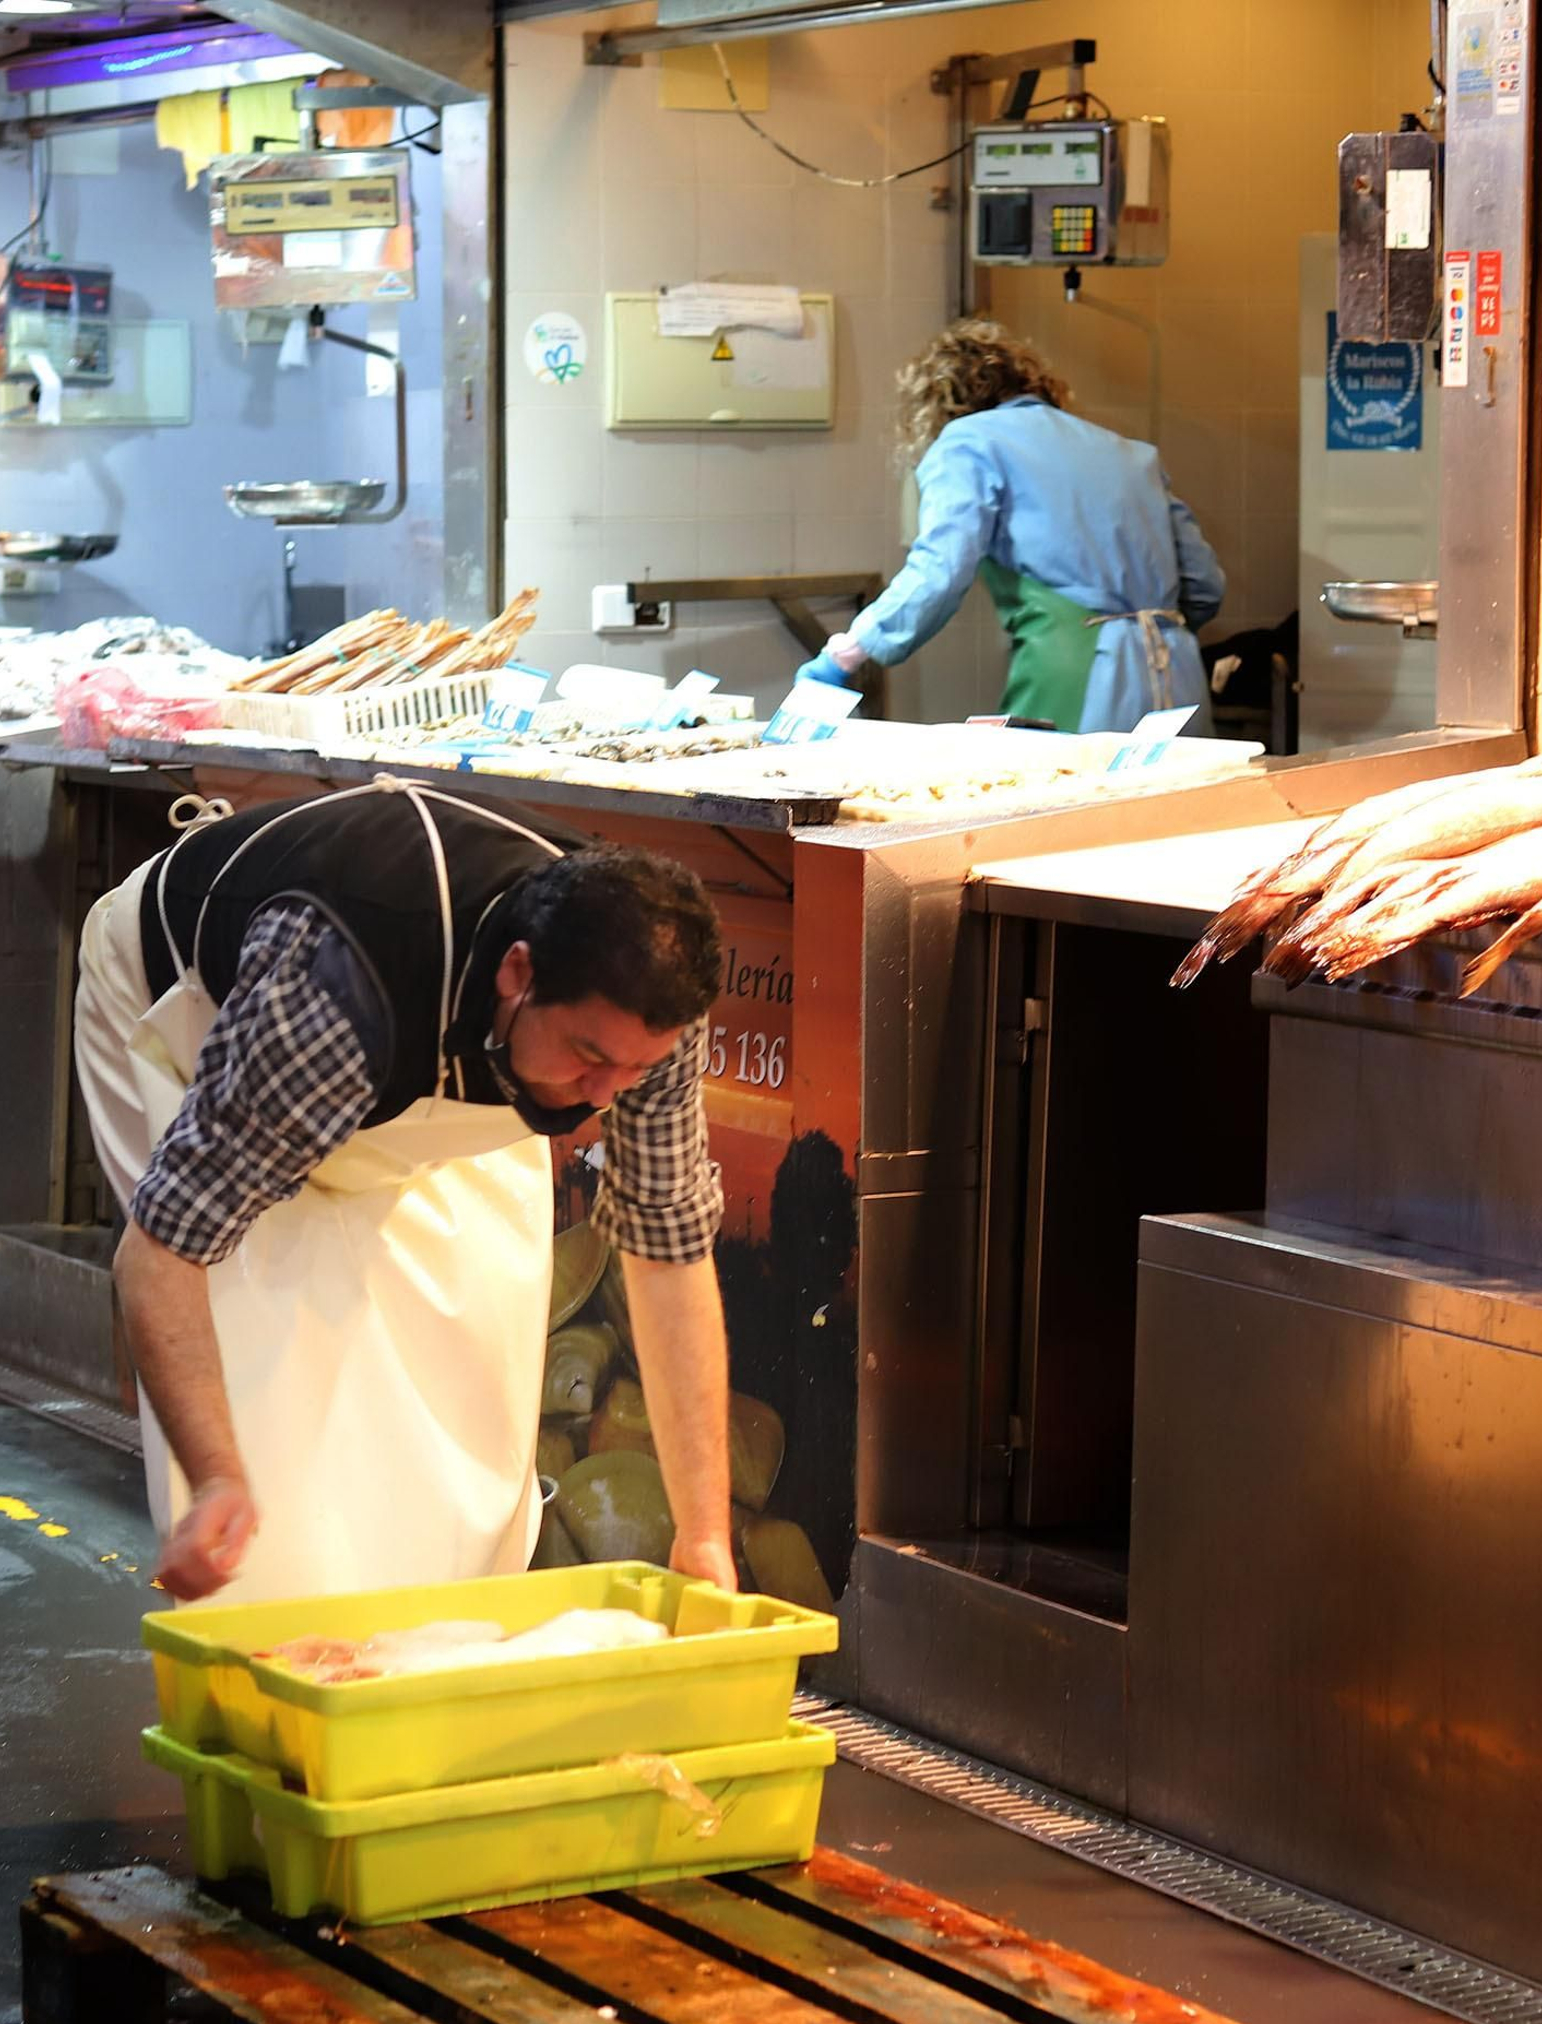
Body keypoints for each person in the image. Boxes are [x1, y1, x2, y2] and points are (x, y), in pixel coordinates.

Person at [73, 775, 737, 1606]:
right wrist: (215, 1479)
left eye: (633, 1069)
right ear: (517, 974)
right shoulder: (333, 997)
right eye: (589, 1058)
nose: (606, 1096)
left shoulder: (644, 1007)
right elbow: (160, 1254)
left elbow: (667, 1248)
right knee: (276, 1437)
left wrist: (704, 1533)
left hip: (418, 1058)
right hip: (206, 1022)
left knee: (469, 1406)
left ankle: (444, 1668)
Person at [801, 317, 1225, 734]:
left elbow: (940, 569)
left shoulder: (968, 442)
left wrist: (848, 652)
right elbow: (1205, 584)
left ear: (942, 399)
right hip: (1178, 680)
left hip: (1078, 675)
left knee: (1059, 802)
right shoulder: (1132, 454)